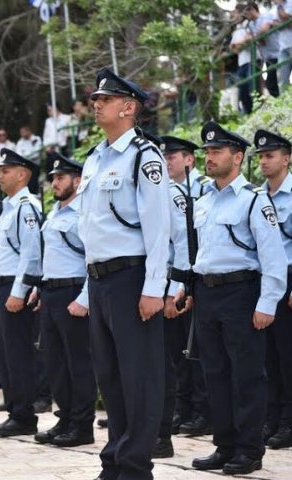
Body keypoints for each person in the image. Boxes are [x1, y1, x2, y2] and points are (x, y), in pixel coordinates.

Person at [78, 68, 171, 480]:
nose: (96, 104)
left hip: (131, 278)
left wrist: (154, 288)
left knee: (139, 378)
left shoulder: (144, 157)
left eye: (106, 99)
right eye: (95, 99)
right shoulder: (95, 158)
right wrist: (87, 288)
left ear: (128, 107)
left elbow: (158, 229)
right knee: (110, 379)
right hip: (99, 280)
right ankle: (115, 458)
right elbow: (92, 232)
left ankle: (135, 465)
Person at [184, 122, 286, 475]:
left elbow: (273, 258)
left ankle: (248, 449)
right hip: (208, 293)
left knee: (246, 376)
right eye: (208, 152)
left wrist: (266, 303)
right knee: (215, 374)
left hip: (242, 294)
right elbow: (197, 252)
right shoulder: (204, 201)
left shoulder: (254, 201)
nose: (209, 158)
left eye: (217, 152)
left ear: (237, 157)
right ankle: (224, 445)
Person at [32, 154, 95, 448]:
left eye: (61, 178)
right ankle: (66, 418)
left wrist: (84, 298)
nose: (55, 183)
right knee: (55, 363)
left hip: (74, 293)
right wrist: (40, 288)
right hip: (51, 293)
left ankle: (82, 426)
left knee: (78, 363)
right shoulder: (53, 213)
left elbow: (92, 259)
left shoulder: (85, 213)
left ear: (78, 180)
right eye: (53, 178)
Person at [158, 136, 211, 457]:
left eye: (173, 156)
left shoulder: (202, 188)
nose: (167, 161)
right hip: (174, 278)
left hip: (194, 277)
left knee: (195, 350)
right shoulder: (168, 192)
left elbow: (190, 241)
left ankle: (201, 410)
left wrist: (184, 284)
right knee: (178, 351)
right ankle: (183, 407)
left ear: (189, 160)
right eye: (165, 157)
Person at [0, 148, 43, 437]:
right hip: (4, 284)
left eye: (5, 170)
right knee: (5, 353)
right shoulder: (9, 207)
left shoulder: (26, 207)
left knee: (18, 353)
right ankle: (14, 409)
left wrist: (19, 291)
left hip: (16, 288)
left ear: (22, 175)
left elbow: (31, 255)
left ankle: (24, 415)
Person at [257, 129, 292, 450]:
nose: (265, 162)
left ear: (287, 158)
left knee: (287, 355)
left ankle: (288, 422)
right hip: (265, 280)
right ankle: (271, 419)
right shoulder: (258, 196)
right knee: (267, 356)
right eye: (262, 157)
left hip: (290, 279)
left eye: (270, 155)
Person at [230, 4, 257, 114]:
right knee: (243, 92)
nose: (234, 16)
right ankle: (248, 112)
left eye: (236, 13)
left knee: (253, 89)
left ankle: (257, 110)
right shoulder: (236, 30)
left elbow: (249, 39)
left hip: (252, 60)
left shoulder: (249, 24)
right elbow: (233, 49)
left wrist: (239, 44)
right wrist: (240, 44)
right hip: (241, 63)